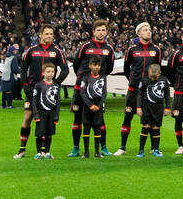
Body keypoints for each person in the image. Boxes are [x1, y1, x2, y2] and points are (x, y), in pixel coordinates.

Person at [14, 26, 67, 159]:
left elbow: (65, 70)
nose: (49, 36)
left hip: (48, 92)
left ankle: (45, 150)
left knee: (48, 120)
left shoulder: (56, 52)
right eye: (47, 33)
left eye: (51, 34)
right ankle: (22, 149)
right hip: (32, 90)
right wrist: (25, 86)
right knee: (27, 118)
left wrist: (55, 84)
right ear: (40, 35)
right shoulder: (31, 51)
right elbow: (23, 69)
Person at [67, 21, 114, 158]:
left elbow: (109, 68)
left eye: (103, 30)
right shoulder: (85, 47)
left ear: (106, 32)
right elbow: (76, 64)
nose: (101, 32)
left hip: (97, 91)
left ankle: (103, 147)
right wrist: (83, 79)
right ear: (93, 31)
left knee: (100, 119)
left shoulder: (109, 49)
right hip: (80, 89)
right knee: (77, 119)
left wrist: (98, 81)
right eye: (98, 30)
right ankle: (76, 148)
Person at [118, 22, 161, 156]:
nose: (149, 32)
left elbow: (157, 69)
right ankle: (122, 147)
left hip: (149, 92)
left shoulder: (156, 50)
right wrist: (134, 81)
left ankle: (153, 148)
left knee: (150, 120)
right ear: (139, 33)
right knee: (127, 117)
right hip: (133, 90)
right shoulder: (131, 50)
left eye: (149, 29)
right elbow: (126, 69)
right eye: (145, 30)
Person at [136, 63, 169, 157]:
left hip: (158, 107)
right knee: (146, 127)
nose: (153, 79)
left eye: (155, 77)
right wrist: (138, 108)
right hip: (146, 106)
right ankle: (141, 150)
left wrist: (167, 107)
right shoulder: (144, 80)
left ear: (159, 73)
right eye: (151, 76)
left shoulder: (164, 80)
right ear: (148, 72)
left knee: (156, 128)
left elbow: (167, 94)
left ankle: (156, 150)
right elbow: (139, 95)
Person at [30, 62, 61, 159]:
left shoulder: (56, 85)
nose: (50, 73)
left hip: (51, 113)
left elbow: (58, 101)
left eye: (52, 71)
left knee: (49, 132)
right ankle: (39, 152)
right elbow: (34, 101)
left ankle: (47, 152)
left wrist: (57, 115)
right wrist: (36, 114)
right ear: (43, 73)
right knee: (40, 132)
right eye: (48, 72)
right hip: (41, 112)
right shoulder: (38, 85)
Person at [79, 57, 108, 159]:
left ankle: (97, 152)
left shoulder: (103, 78)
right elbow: (82, 93)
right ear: (90, 66)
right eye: (94, 65)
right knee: (86, 128)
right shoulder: (85, 78)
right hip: (88, 107)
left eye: (98, 65)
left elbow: (104, 94)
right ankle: (86, 152)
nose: (97, 67)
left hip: (98, 107)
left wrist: (99, 106)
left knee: (97, 129)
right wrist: (90, 105)